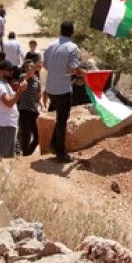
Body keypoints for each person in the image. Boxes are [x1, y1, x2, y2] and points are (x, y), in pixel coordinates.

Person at [43, 21, 82, 163]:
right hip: (63, 90)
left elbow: (46, 65)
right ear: (72, 32)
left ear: (60, 30)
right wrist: (81, 72)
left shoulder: (50, 46)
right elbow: (73, 68)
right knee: (62, 121)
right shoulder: (73, 47)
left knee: (60, 119)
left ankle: (54, 144)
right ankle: (60, 152)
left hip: (51, 89)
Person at [0, 60, 30, 159]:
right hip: (5, 124)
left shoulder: (5, 83)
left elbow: (14, 94)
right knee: (4, 156)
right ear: (1, 71)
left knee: (7, 155)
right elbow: (9, 103)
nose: (11, 72)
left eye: (12, 70)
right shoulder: (0, 86)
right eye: (9, 70)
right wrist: (20, 90)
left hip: (8, 123)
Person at [17, 51, 45, 156]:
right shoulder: (23, 77)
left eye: (31, 66)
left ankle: (27, 154)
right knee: (26, 136)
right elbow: (29, 75)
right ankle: (25, 154)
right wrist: (35, 68)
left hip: (33, 111)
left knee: (38, 137)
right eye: (27, 66)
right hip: (24, 110)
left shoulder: (37, 81)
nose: (29, 68)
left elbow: (38, 96)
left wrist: (41, 103)